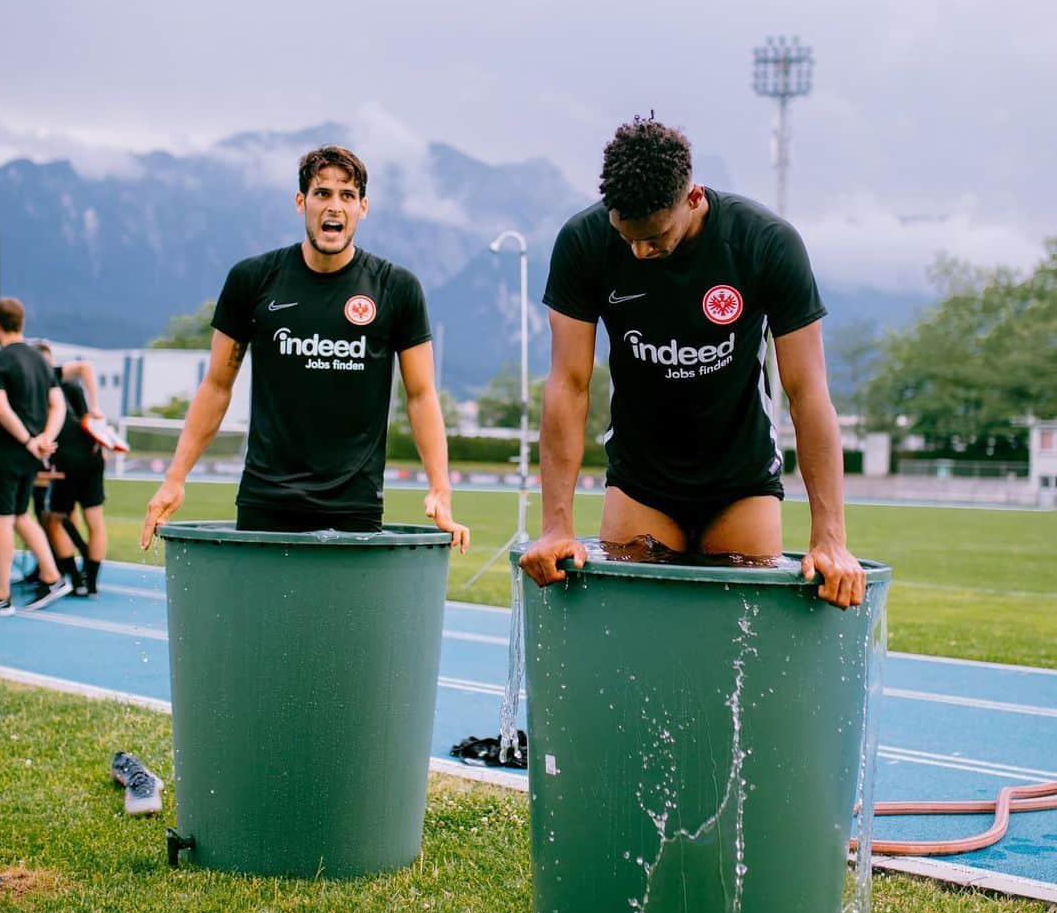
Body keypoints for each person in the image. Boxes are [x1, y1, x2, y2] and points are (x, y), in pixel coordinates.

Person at [520, 116, 865, 610]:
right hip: (641, 481)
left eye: (656, 236)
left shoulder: (765, 242)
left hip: (740, 481)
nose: (640, 251)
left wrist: (830, 539)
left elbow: (808, 391)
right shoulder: (583, 242)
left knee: (741, 648)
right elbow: (568, 386)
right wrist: (556, 527)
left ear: (694, 197)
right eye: (627, 236)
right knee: (635, 642)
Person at [141, 145, 469, 549]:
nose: (335, 206)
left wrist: (440, 488)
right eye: (322, 193)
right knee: (262, 615)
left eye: (347, 196)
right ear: (302, 202)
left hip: (355, 503)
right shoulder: (253, 279)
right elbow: (216, 386)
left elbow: (421, 396)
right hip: (267, 499)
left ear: (362, 208)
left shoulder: (396, 288)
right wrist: (174, 479)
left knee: (345, 616)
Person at [0, 298, 71, 614]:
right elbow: (57, 405)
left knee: (1, 519)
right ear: (21, 322)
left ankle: (0, 595)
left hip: (7, 451)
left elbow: (0, 410)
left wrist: (30, 440)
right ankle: (52, 576)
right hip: (31, 454)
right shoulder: (41, 359)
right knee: (20, 515)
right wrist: (46, 438)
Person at [35, 343, 108, 596]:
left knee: (54, 519)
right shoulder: (64, 384)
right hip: (92, 454)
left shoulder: (37, 383)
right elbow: (85, 366)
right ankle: (92, 583)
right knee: (94, 521)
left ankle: (75, 580)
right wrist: (96, 406)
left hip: (68, 460)